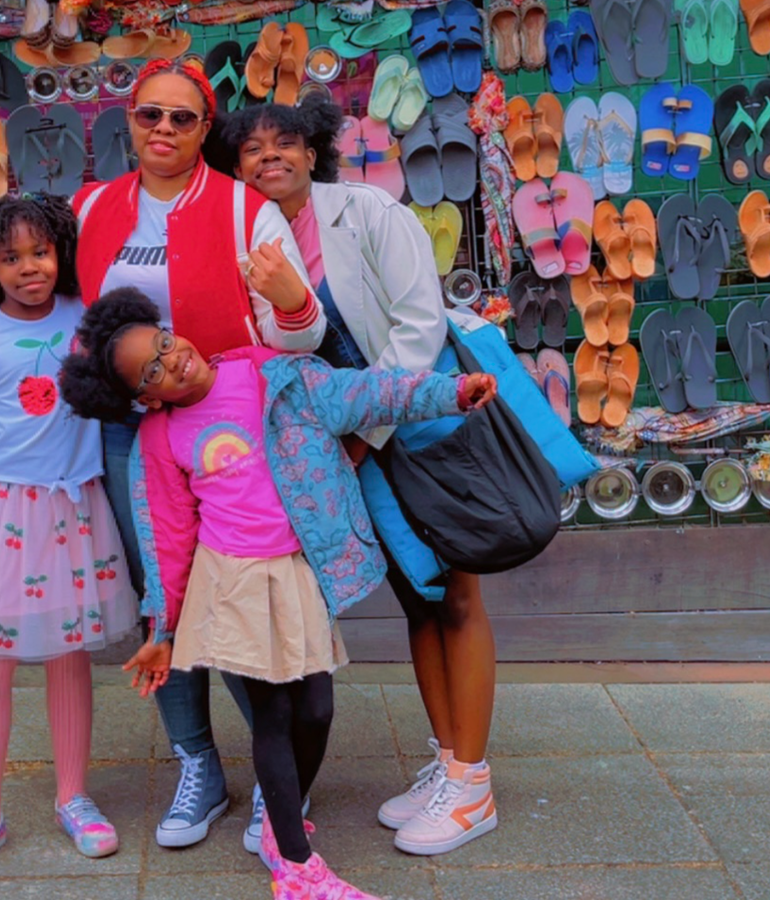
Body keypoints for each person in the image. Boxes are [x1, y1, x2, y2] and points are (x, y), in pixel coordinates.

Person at [0, 59, 326, 853]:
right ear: (130, 122)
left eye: (182, 117)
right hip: (124, 433)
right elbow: (11, 273)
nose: (164, 129)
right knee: (160, 597)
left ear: (206, 128)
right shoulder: (93, 207)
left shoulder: (245, 209)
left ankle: (274, 777)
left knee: (236, 588)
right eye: (150, 115)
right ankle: (197, 763)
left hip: (221, 427)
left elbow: (302, 333)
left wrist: (291, 299)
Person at [57, 288, 495, 899]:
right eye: (151, 371)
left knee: (316, 711)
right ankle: (295, 865)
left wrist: (449, 393)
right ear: (145, 398)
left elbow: (365, 393)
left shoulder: (273, 377)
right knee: (274, 715)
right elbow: (168, 540)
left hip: (295, 570)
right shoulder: (161, 439)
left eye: (164, 343)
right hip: (233, 581)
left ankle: (279, 819)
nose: (172, 360)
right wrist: (164, 630)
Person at [217, 99, 501, 856]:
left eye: (286, 142)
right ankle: (449, 762)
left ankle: (473, 785)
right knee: (418, 596)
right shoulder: (246, 238)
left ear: (314, 152)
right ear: (236, 167)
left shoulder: (370, 211)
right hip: (348, 441)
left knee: (458, 592)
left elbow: (421, 323)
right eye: (252, 148)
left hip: (420, 423)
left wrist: (365, 434)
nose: (271, 156)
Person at [0, 195, 137, 875]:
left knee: (69, 656)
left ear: (60, 253)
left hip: (73, 512)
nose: (29, 268)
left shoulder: (87, 318)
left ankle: (74, 797)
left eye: (40, 252)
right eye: (10, 257)